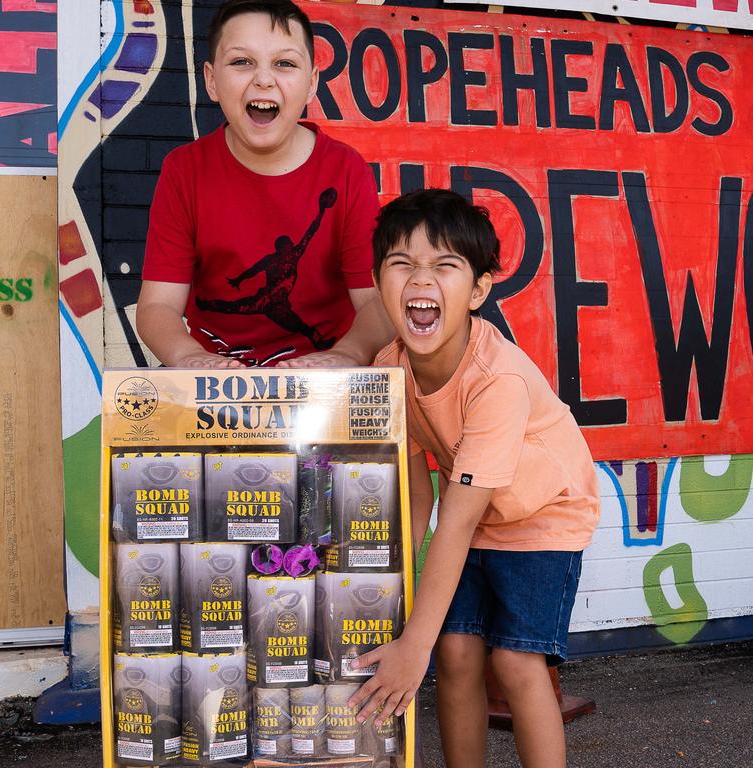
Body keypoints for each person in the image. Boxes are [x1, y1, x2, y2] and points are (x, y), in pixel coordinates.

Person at [350, 189, 600, 768]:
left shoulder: (497, 380)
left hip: (545, 516)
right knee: (455, 652)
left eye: (445, 265)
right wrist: (387, 594)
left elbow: (453, 522)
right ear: (378, 282)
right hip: (478, 515)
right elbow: (416, 498)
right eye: (402, 263)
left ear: (479, 290)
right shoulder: (388, 368)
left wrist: (411, 646)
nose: (421, 279)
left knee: (514, 662)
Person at [136, 0, 392, 368]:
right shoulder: (184, 171)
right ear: (211, 80)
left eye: (284, 63)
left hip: (322, 376)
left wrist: (346, 355)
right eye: (242, 62)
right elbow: (157, 305)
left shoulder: (346, 170)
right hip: (215, 377)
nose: (264, 79)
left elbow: (374, 304)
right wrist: (189, 357)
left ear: (311, 84)